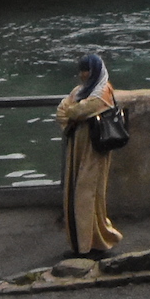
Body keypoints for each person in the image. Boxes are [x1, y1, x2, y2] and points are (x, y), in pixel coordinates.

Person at [54, 51, 123, 257]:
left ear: (94, 71)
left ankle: (92, 242)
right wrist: (72, 110)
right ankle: (84, 242)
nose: (83, 75)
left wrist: (71, 109)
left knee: (87, 192)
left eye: (86, 70)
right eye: (82, 70)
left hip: (94, 149)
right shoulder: (83, 91)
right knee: (78, 191)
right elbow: (63, 111)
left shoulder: (103, 92)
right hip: (79, 146)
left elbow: (74, 111)